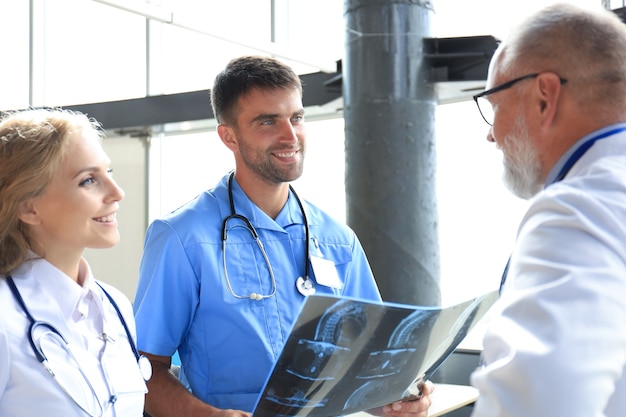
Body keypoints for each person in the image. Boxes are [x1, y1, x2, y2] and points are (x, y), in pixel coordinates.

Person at [133, 55, 434, 417]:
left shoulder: (338, 241)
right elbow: (143, 370)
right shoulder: (183, 238)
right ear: (229, 135)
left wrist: (395, 398)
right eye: (267, 121)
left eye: (297, 117)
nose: (290, 136)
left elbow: (368, 363)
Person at [469, 3, 626, 416]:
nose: (490, 134)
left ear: (544, 97)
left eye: (494, 106)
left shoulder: (579, 210)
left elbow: (539, 402)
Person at [0, 108, 149, 416]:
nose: (117, 193)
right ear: (29, 208)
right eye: (88, 180)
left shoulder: (115, 307)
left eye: (109, 173)